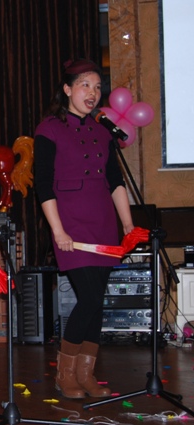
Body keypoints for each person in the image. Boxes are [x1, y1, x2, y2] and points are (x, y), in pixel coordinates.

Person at [34, 59, 134, 399]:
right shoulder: (49, 129)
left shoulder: (103, 130)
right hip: (71, 226)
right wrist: (58, 231)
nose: (92, 93)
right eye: (84, 85)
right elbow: (43, 185)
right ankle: (65, 375)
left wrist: (127, 224)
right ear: (67, 89)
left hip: (103, 224)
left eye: (97, 86)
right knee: (89, 297)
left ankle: (86, 375)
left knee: (96, 302)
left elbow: (116, 181)